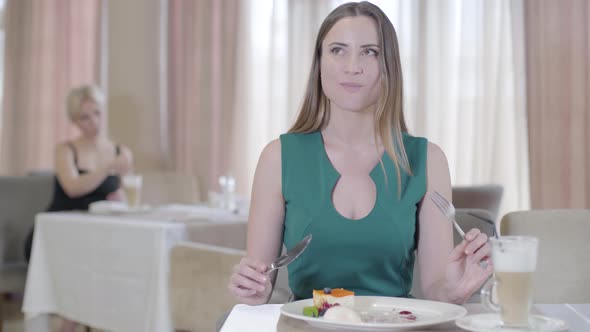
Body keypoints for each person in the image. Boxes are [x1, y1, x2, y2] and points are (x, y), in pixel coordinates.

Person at [228, 1, 492, 306]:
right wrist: (253, 290)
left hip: (396, 328)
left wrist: (456, 291)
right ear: (319, 63)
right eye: (338, 50)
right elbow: (260, 283)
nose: (352, 66)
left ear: (388, 66)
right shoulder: (278, 158)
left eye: (370, 52)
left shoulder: (428, 160)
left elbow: (436, 289)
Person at [23, 84, 133, 332]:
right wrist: (106, 168)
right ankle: (69, 323)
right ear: (74, 120)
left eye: (97, 113)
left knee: (121, 255)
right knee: (87, 263)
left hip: (96, 236)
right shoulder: (65, 150)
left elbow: (127, 197)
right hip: (55, 235)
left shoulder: (120, 152)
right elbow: (73, 188)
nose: (93, 122)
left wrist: (119, 197)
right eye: (85, 117)